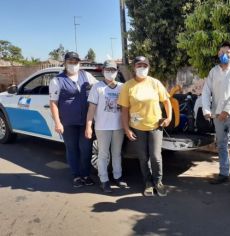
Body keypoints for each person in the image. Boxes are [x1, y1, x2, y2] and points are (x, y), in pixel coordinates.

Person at [118, 56, 172, 197]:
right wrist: (126, 129)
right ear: (134, 68)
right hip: (137, 128)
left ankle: (158, 182)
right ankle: (147, 183)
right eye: (139, 65)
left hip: (155, 126)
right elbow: (124, 110)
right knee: (142, 157)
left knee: (155, 156)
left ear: (148, 67)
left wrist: (169, 117)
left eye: (144, 65)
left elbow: (166, 101)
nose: (142, 68)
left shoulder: (155, 83)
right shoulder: (127, 86)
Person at [201, 41, 230, 201]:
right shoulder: (213, 71)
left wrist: (226, 111)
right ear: (218, 54)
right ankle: (223, 173)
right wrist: (206, 110)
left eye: (227, 51)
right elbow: (206, 91)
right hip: (217, 116)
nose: (224, 54)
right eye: (221, 52)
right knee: (221, 145)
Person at [49, 51, 98, 188]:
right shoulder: (57, 80)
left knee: (86, 149)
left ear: (79, 63)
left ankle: (86, 175)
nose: (73, 64)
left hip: (85, 122)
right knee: (72, 149)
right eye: (70, 62)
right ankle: (76, 176)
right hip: (68, 123)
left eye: (75, 62)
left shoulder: (86, 75)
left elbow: (99, 87)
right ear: (64, 63)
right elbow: (53, 103)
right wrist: (57, 122)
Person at [85, 60, 128, 193]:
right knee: (103, 154)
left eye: (113, 70)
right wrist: (88, 126)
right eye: (108, 70)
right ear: (103, 70)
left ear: (117, 71)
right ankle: (104, 180)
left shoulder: (122, 87)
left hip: (118, 126)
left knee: (116, 153)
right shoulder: (97, 87)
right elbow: (91, 108)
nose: (110, 72)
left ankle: (117, 176)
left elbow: (127, 107)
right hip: (102, 127)